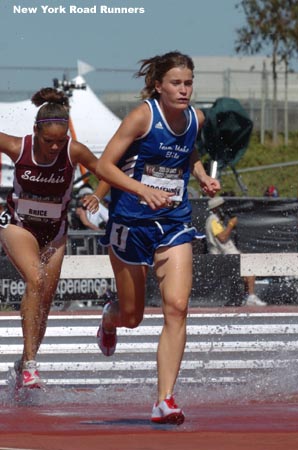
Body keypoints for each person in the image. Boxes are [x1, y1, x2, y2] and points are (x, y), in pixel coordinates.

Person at [94, 51, 220, 425]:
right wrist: (140, 190)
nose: (184, 90)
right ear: (159, 86)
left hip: (174, 220)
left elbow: (188, 151)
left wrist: (199, 175)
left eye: (189, 83)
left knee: (177, 307)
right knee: (132, 317)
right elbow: (103, 165)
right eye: (177, 84)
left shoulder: (196, 118)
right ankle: (109, 319)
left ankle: (164, 399)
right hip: (131, 223)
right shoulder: (142, 116)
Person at [0, 87, 107, 389]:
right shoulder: (16, 146)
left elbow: (107, 172)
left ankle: (25, 361)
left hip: (55, 230)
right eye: (48, 142)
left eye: (60, 142)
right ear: (36, 132)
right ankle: (32, 366)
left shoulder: (75, 151)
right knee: (35, 279)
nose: (54, 148)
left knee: (44, 300)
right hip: (16, 223)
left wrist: (97, 196)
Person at [205, 196, 266, 306]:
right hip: (222, 256)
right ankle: (251, 296)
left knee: (245, 263)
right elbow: (222, 238)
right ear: (215, 209)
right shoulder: (213, 220)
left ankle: (242, 296)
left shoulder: (218, 219)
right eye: (220, 207)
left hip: (226, 255)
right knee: (249, 264)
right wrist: (230, 225)